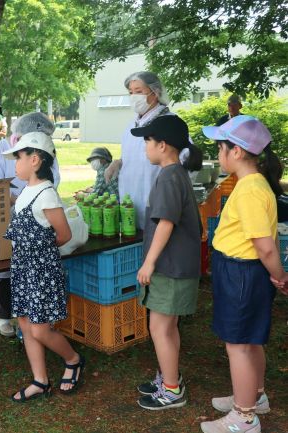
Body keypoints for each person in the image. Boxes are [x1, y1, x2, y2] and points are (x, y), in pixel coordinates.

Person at [200, 116, 288, 433]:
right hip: (241, 271)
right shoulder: (253, 183)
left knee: (238, 345)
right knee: (249, 340)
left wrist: (279, 277)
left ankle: (245, 417)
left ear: (236, 152)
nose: (218, 154)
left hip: (242, 273)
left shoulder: (251, 189)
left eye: (220, 148)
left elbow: (265, 247)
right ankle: (254, 395)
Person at [2, 131, 84, 402]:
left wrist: (41, 253)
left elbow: (64, 235)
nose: (15, 164)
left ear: (34, 160)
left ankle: (72, 359)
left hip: (41, 272)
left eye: (18, 158)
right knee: (25, 324)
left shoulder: (46, 194)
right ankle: (40, 380)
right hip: (24, 270)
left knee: (40, 328)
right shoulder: (27, 190)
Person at [130, 115, 202, 410]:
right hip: (176, 265)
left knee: (160, 328)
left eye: (147, 140)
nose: (144, 146)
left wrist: (148, 263)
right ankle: (169, 377)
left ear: (162, 145)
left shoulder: (170, 176)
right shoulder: (174, 173)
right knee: (166, 327)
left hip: (170, 267)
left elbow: (166, 223)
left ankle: (172, 390)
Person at [0, 112, 61, 337]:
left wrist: (34, 198)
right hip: (4, 212)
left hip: (37, 213)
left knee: (28, 271)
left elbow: (54, 177)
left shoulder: (47, 150)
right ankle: (3, 316)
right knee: (4, 266)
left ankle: (31, 319)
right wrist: (17, 199)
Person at [105, 71, 175, 229]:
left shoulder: (169, 123)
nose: (133, 97)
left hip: (157, 205)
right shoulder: (131, 125)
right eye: (130, 92)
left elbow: (183, 161)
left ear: (155, 92)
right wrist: (119, 162)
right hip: (130, 204)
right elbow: (132, 154)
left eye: (139, 92)